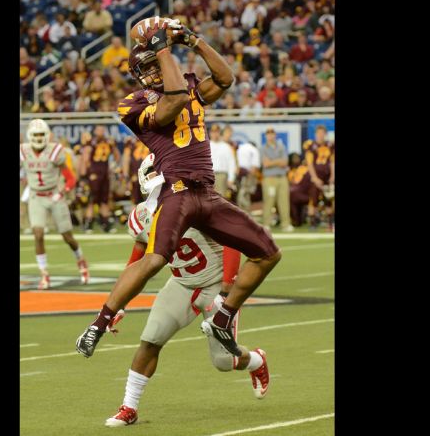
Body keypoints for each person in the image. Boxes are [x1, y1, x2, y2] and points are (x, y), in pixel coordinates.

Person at [75, 18, 281, 363]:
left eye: (157, 64)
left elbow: (226, 78)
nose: (155, 71)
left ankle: (223, 316)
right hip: (178, 192)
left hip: (208, 193)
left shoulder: (185, 86)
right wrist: (163, 49)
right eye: (150, 66)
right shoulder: (132, 104)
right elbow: (171, 104)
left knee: (268, 252)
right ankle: (99, 322)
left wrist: (193, 41)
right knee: (154, 258)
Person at [104, 157, 270, 427]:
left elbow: (233, 242)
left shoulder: (197, 201)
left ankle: (255, 361)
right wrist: (118, 304)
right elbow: (137, 262)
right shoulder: (141, 217)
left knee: (223, 361)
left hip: (215, 283)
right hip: (181, 283)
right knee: (150, 339)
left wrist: (227, 289)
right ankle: (129, 407)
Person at [20, 119, 90, 288]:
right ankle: (44, 274)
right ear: (30, 136)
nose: (38, 138)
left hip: (54, 195)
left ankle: (80, 260)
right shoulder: (23, 151)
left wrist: (63, 192)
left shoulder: (55, 151)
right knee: (38, 233)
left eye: (40, 134)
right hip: (36, 196)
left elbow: (71, 178)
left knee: (67, 237)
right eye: (35, 135)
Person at [80, 125, 121, 233]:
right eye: (99, 129)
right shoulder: (91, 143)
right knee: (92, 200)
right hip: (94, 174)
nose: (101, 131)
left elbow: (117, 156)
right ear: (95, 131)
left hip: (104, 175)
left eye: (103, 129)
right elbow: (85, 158)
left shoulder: (108, 142)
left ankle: (106, 223)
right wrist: (86, 174)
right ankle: (88, 224)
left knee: (104, 200)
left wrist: (112, 166)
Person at [260, 127, 294, 231]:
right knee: (269, 201)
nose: (270, 136)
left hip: (282, 178)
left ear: (275, 135)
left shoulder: (281, 146)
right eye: (268, 134)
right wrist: (278, 161)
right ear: (266, 136)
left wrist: (272, 162)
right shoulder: (263, 148)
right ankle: (266, 223)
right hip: (269, 178)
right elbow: (266, 164)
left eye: (272, 133)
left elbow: (285, 163)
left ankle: (286, 224)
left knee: (284, 201)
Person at [304, 125, 335, 229]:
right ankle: (313, 223)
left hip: (327, 176)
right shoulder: (311, 146)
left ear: (325, 134)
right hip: (316, 176)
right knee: (313, 200)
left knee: (329, 200)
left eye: (322, 133)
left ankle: (330, 223)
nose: (320, 135)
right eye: (318, 133)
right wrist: (315, 178)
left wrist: (332, 176)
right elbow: (310, 164)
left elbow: (332, 162)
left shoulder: (330, 145)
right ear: (315, 134)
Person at [236, 138, 261, 214]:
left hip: (239, 174)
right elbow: (255, 166)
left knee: (241, 193)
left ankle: (241, 213)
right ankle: (246, 214)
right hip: (248, 174)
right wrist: (251, 177)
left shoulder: (240, 148)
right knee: (245, 194)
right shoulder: (253, 149)